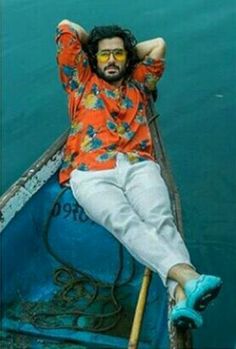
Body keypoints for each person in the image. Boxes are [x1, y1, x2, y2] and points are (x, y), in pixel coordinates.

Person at [55, 19, 222, 329]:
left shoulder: (141, 81)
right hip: (91, 171)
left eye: (118, 54)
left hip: (138, 164)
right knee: (124, 221)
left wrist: (126, 53)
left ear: (128, 57)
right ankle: (189, 278)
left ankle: (182, 300)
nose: (112, 60)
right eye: (104, 55)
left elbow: (158, 43)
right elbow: (66, 27)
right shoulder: (80, 80)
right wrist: (98, 46)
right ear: (93, 58)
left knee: (161, 220)